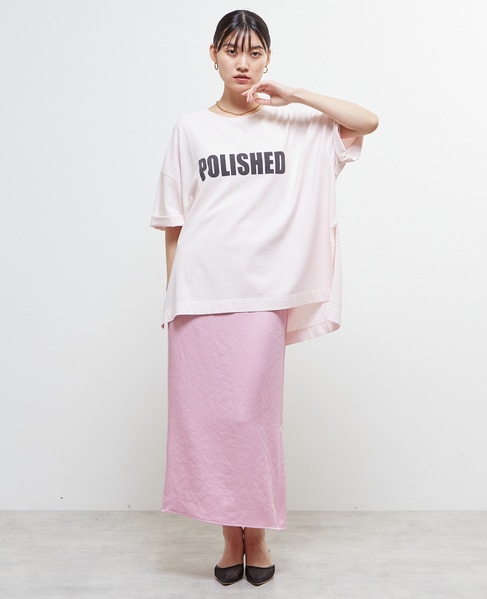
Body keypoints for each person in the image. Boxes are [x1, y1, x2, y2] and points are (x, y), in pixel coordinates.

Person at [151, 9, 378, 587]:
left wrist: (293, 94)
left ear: (268, 58)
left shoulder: (294, 126)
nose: (243, 63)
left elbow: (367, 121)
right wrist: (174, 296)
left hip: (262, 294)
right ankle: (232, 538)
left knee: (251, 420)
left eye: (255, 52)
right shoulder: (190, 130)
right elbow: (175, 224)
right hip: (198, 296)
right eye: (232, 51)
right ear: (213, 55)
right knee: (208, 423)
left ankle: (257, 534)